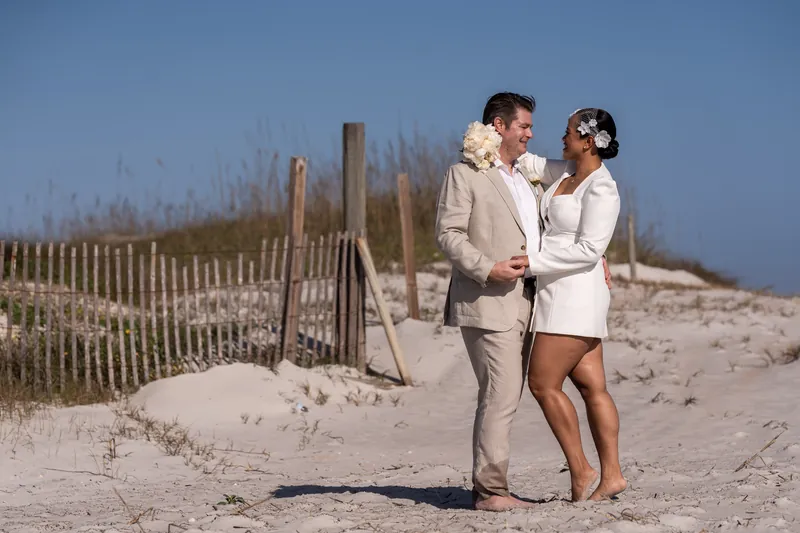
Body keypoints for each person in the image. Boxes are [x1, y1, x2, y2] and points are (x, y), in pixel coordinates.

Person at [434, 93, 611, 511]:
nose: (532, 134)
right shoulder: (464, 174)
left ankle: (590, 470)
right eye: (524, 127)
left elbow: (568, 215)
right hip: (487, 298)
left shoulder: (528, 177)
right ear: (499, 126)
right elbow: (448, 234)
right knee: (501, 392)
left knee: (515, 391)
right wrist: (487, 268)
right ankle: (490, 492)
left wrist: (598, 254)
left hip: (533, 302)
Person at [515, 108, 627, 502]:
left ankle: (582, 471)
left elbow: (589, 250)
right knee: (592, 385)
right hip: (557, 289)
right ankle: (611, 476)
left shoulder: (601, 187)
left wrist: (531, 263)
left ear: (588, 140)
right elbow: (524, 161)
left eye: (567, 133)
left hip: (574, 294)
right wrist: (491, 137)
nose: (561, 138)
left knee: (543, 383)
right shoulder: (565, 171)